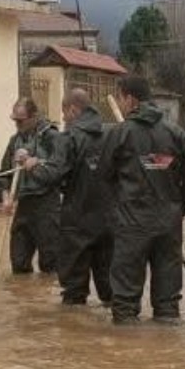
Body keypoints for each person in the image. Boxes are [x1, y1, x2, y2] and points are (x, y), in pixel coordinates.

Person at [100, 75, 185, 324]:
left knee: (124, 302)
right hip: (168, 225)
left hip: (131, 225)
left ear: (130, 99)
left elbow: (103, 176)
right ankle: (166, 355)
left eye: (121, 98)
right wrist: (180, 209)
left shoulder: (120, 133)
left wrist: (117, 211)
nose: (121, 105)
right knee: (168, 304)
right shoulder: (175, 133)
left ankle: (129, 356)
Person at [54, 88, 113, 306]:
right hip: (108, 222)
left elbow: (56, 174)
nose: (63, 118)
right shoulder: (113, 134)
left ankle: (73, 335)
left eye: (64, 112)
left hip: (77, 222)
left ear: (73, 109)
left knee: (74, 291)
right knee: (111, 290)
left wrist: (35, 167)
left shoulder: (69, 137)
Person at [0, 97, 67, 274]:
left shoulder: (53, 137)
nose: (17, 124)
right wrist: (7, 198)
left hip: (47, 205)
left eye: (20, 121)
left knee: (50, 263)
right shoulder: (14, 140)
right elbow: (4, 173)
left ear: (34, 116)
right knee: (18, 261)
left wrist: (34, 164)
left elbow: (58, 171)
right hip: (23, 204)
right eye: (14, 120)